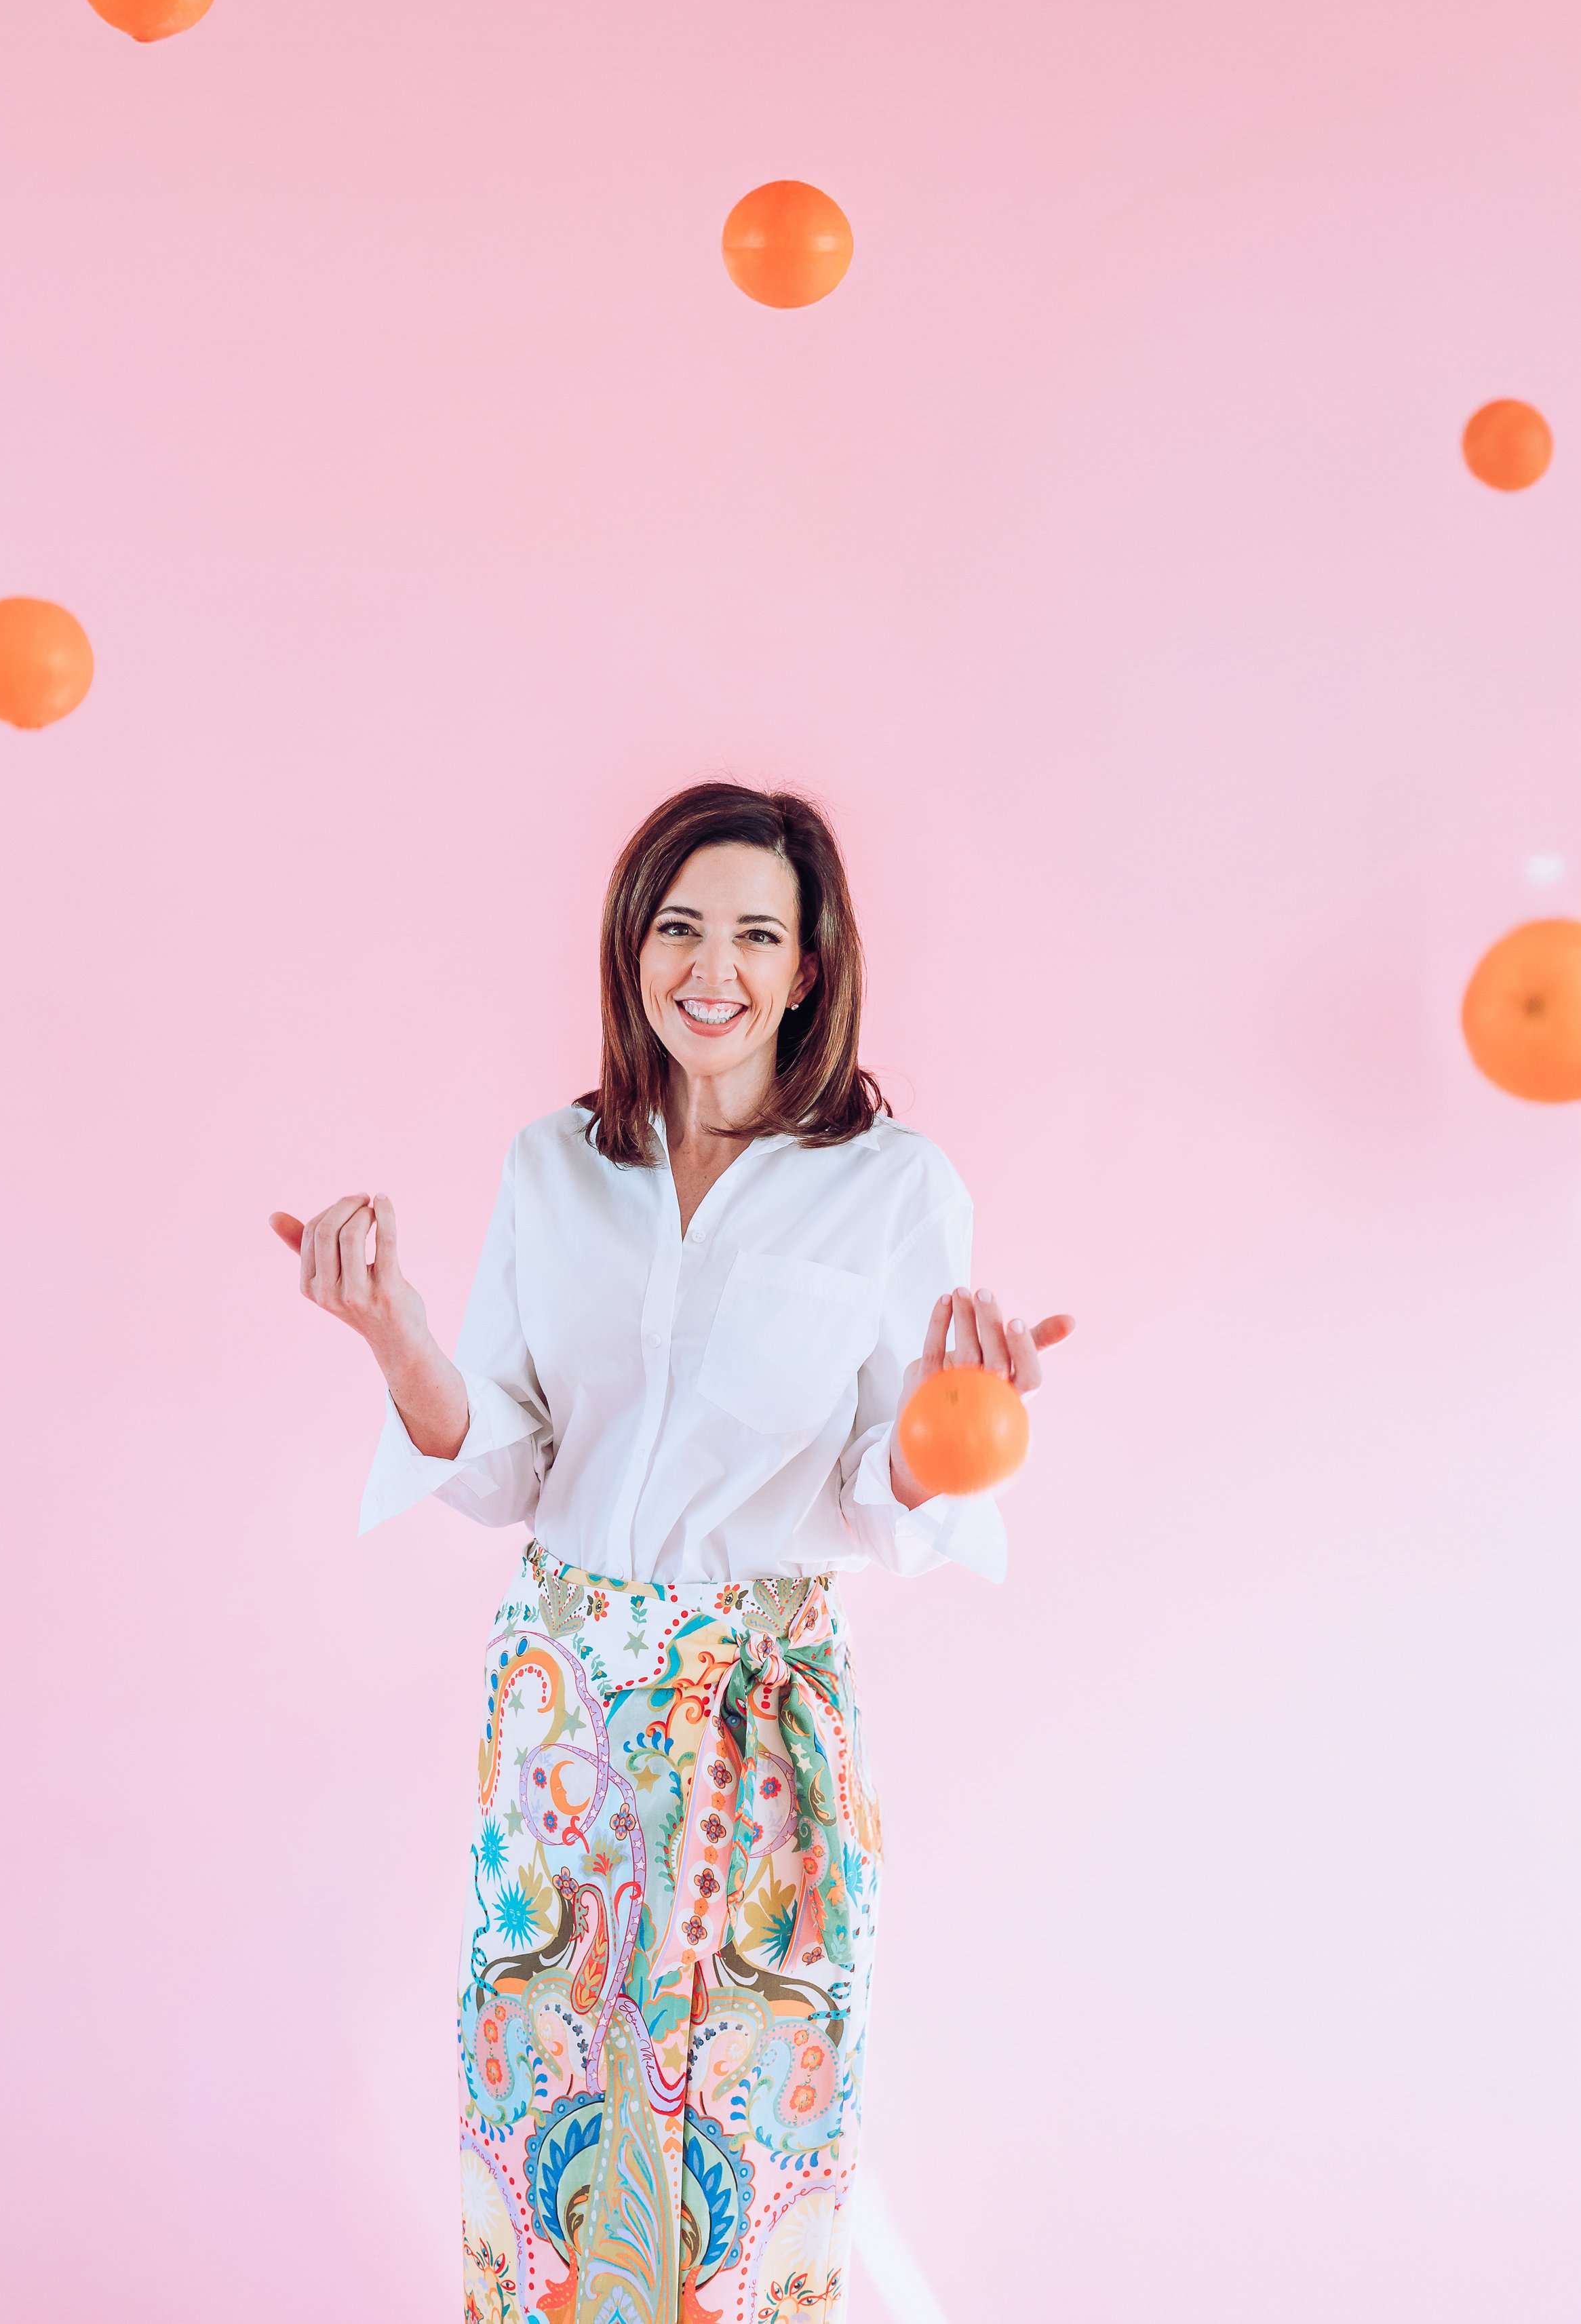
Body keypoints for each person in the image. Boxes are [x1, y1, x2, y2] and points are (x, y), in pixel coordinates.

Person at [272, 781, 1072, 2324]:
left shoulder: (892, 1186)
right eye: (680, 926)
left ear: (809, 969)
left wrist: (946, 1423)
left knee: (746, 2148)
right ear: (631, 945)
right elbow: (507, 1464)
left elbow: (881, 1487)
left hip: (759, 1717)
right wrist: (393, 1332)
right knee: (544, 2126)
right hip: (561, 1714)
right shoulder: (552, 1164)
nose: (713, 967)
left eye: (756, 935)